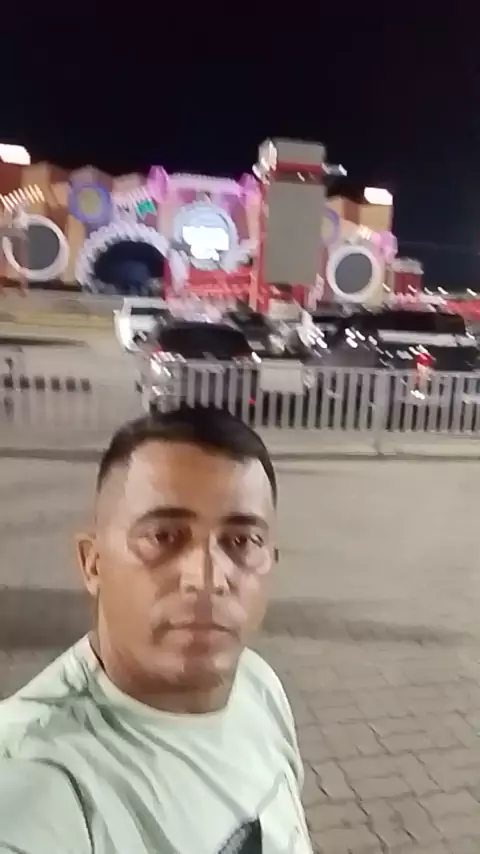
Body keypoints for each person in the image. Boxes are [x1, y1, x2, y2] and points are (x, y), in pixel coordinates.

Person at [0, 406, 311, 854]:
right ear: (93, 563)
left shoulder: (259, 686)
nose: (207, 578)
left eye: (241, 541)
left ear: (272, 562)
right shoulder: (37, 776)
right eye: (164, 536)